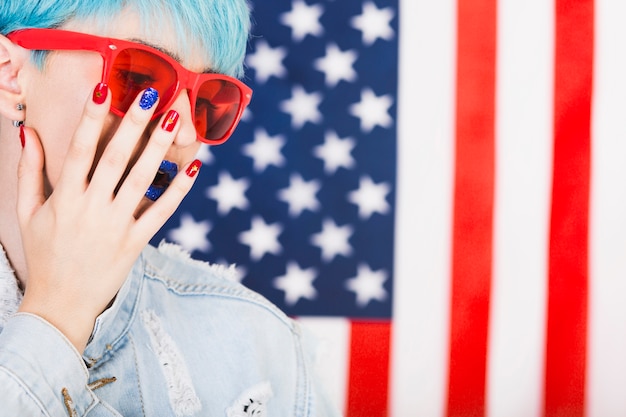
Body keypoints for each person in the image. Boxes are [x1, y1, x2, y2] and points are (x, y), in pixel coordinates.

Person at [0, 0, 340, 415]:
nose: (181, 131)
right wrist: (56, 315)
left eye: (207, 101)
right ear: (10, 73)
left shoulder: (263, 348)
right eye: (139, 78)